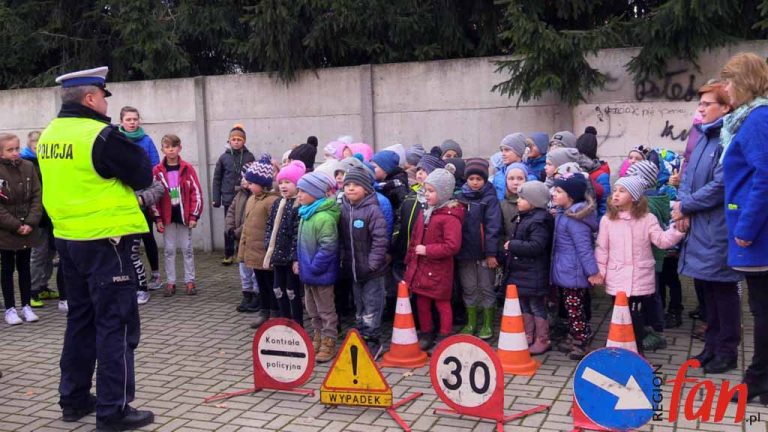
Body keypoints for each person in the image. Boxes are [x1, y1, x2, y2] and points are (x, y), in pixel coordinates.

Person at [37, 66, 154, 429]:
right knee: (115, 326)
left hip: (68, 241)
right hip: (107, 243)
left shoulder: (49, 135)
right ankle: (113, 410)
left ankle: (72, 400)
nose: (105, 102)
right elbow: (143, 174)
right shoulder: (100, 136)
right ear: (90, 98)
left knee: (80, 321)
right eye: (103, 96)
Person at [674, 80, 742, 374]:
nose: (700, 109)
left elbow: (721, 185)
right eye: (699, 104)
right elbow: (687, 177)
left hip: (717, 228)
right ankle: (711, 346)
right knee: (706, 289)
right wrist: (681, 205)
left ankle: (727, 351)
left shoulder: (728, 139)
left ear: (726, 107)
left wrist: (687, 205)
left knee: (722, 289)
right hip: (699, 225)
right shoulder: (703, 136)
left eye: (706, 104)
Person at [719, 52, 768, 402]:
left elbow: (765, 178)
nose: (724, 87)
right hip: (757, 233)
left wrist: (747, 228)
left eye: (729, 80)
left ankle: (758, 379)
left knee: (763, 311)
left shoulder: (757, 120)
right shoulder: (753, 119)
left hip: (759, 236)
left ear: (745, 82)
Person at [595, 176, 684, 356]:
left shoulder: (647, 219)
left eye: (622, 191)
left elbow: (661, 240)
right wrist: (600, 273)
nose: (616, 195)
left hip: (639, 279)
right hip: (617, 277)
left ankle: (637, 352)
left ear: (634, 197)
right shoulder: (607, 220)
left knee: (636, 318)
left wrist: (677, 230)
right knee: (619, 316)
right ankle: (617, 351)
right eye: (615, 191)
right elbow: (602, 249)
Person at [404, 168, 464, 350]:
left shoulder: (449, 217)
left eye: (431, 191)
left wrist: (427, 250)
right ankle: (426, 333)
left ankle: (444, 334)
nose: (427, 194)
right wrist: (410, 258)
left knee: (442, 303)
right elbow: (415, 238)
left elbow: (452, 246)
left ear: (444, 193)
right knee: (422, 302)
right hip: (421, 267)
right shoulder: (426, 212)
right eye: (426, 190)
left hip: (439, 269)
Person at [339, 167, 390, 358]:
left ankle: (373, 341)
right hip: (353, 270)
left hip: (371, 271)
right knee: (359, 306)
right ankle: (361, 335)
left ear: (367, 189)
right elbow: (342, 240)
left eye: (356, 185)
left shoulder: (372, 210)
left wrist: (371, 264)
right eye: (347, 185)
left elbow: (380, 240)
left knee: (372, 305)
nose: (350, 189)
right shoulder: (343, 208)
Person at [550, 174, 599, 360]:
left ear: (571, 196)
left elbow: (584, 248)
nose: (554, 194)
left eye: (559, 191)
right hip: (566, 269)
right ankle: (577, 334)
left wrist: (592, 272)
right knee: (572, 307)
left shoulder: (576, 219)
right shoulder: (565, 214)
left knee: (574, 308)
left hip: (574, 271)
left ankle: (581, 341)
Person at [504, 181, 554, 354]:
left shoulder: (539, 220)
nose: (518, 201)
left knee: (536, 306)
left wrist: (512, 245)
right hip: (522, 272)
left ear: (534, 201)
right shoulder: (525, 216)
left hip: (534, 273)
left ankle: (542, 339)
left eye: (522, 198)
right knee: (524, 304)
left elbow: (536, 246)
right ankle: (528, 335)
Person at [296, 171, 340, 363]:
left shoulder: (324, 218)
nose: (298, 195)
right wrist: (298, 262)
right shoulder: (306, 214)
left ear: (316, 192)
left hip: (320, 274)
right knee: (311, 308)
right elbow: (301, 244)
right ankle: (317, 335)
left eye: (303, 191)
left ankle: (329, 340)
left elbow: (328, 247)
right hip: (308, 273)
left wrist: (314, 267)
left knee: (325, 309)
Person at [152, 134, 203, 297]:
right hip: (167, 218)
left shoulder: (188, 168)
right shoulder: (157, 171)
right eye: (167, 147)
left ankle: (190, 281)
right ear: (163, 150)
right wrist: (157, 218)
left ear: (179, 148)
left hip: (184, 217)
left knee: (187, 249)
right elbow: (153, 196)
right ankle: (171, 283)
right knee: (168, 250)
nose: (170, 150)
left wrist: (194, 216)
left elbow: (197, 193)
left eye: (174, 146)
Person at [0, 133, 43, 325]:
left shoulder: (28, 167)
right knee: (7, 268)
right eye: (10, 150)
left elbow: (37, 195)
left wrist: (31, 222)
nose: (15, 153)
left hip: (28, 225)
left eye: (17, 148)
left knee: (25, 267)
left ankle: (26, 305)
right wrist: (16, 225)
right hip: (6, 230)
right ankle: (10, 308)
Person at [119, 106, 163, 293]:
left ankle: (155, 274)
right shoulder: (117, 140)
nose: (132, 122)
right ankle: (128, 276)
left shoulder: (146, 141)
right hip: (122, 196)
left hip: (143, 196)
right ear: (121, 121)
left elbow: (155, 166)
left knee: (147, 235)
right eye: (128, 119)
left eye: (135, 119)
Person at [456, 158, 501, 339]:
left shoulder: (490, 199)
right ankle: (471, 322)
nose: (475, 182)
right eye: (471, 178)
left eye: (479, 179)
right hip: (465, 252)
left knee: (486, 287)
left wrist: (491, 253)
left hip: (483, 253)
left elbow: (493, 227)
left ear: (485, 180)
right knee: (469, 287)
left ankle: (488, 324)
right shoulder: (459, 197)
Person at [22, 131, 66, 310]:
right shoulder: (27, 164)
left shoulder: (47, 162)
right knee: (38, 254)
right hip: (36, 217)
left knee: (49, 253)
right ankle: (32, 290)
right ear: (31, 146)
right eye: (36, 147)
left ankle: (43, 286)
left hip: (50, 214)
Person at [238, 155, 279, 328]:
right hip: (253, 252)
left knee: (271, 284)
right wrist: (242, 251)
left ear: (262, 184)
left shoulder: (272, 201)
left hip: (266, 253)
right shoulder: (251, 199)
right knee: (261, 284)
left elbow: (275, 228)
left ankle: (275, 312)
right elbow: (246, 228)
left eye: (251, 183)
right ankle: (264, 311)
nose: (248, 185)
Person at [264, 160, 306, 325]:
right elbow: (269, 226)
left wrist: (295, 257)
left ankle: (296, 324)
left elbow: (297, 234)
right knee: (278, 289)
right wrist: (268, 244)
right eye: (280, 182)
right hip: (277, 256)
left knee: (291, 291)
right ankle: (283, 321)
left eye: (288, 182)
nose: (283, 186)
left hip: (290, 258)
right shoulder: (277, 204)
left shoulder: (298, 206)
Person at [212, 125, 255, 265]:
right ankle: (228, 253)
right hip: (228, 198)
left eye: (239, 139)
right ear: (229, 141)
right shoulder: (223, 158)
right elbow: (217, 179)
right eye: (233, 139)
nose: (236, 142)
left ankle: (241, 252)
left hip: (245, 197)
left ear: (244, 141)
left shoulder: (249, 156)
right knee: (229, 226)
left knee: (244, 226)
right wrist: (216, 198)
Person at [226, 163, 260, 313]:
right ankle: (246, 294)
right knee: (243, 268)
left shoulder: (256, 198)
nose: (245, 182)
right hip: (241, 240)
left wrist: (238, 231)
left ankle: (257, 296)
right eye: (244, 178)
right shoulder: (239, 195)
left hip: (251, 239)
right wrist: (229, 228)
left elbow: (251, 220)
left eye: (248, 179)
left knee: (253, 270)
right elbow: (231, 212)